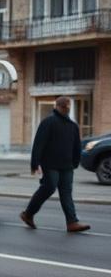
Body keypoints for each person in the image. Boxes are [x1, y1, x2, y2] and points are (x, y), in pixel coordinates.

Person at [21, 96, 90, 232]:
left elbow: (77, 146)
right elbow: (39, 144)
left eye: (68, 107)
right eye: (64, 106)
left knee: (66, 193)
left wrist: (75, 162)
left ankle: (72, 222)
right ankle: (28, 214)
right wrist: (35, 163)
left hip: (67, 166)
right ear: (57, 106)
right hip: (50, 164)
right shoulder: (48, 122)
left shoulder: (73, 126)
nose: (67, 109)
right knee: (49, 187)